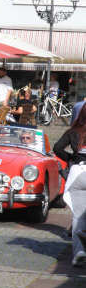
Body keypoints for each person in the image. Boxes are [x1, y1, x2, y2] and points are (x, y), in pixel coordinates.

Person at [53, 103, 86, 266]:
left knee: (78, 215)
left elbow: (57, 148)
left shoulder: (74, 131)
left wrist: (71, 159)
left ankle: (79, 251)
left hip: (77, 173)